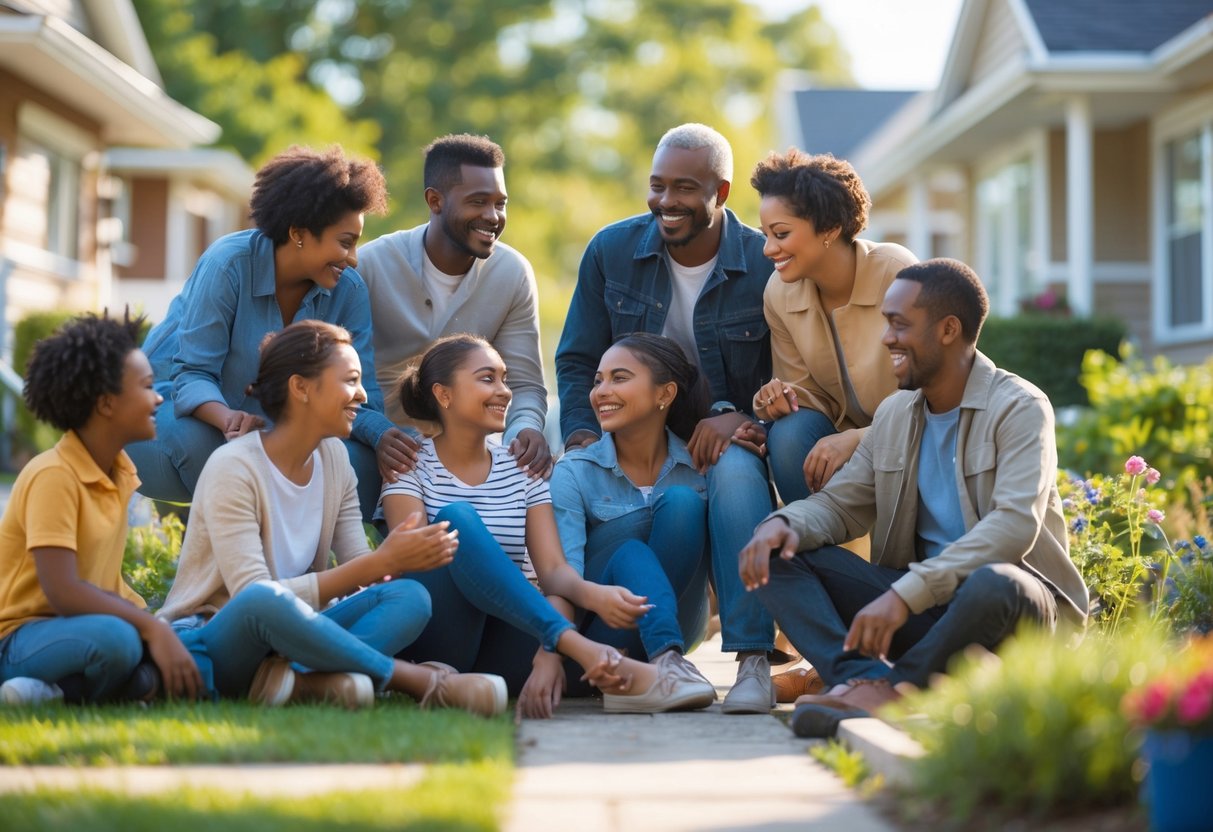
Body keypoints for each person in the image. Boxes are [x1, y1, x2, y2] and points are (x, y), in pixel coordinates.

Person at [738, 259, 1089, 738]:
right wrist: (786, 524)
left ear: (948, 330)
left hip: (1013, 612)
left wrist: (907, 594)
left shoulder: (1020, 407)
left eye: (900, 324)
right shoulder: (896, 413)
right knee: (772, 551)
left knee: (995, 582)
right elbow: (841, 506)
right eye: (887, 323)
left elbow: (1014, 528)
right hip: (927, 613)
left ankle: (895, 686)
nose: (887, 338)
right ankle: (867, 682)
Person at [157, 320, 507, 715]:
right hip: (216, 633)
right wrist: (380, 562)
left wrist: (394, 563)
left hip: (300, 630)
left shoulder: (334, 459)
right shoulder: (234, 468)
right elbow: (250, 598)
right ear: (301, 388)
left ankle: (302, 681)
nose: (361, 394)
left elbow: (359, 566)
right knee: (265, 598)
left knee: (409, 597)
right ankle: (421, 683)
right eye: (351, 380)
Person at [555, 123, 778, 714]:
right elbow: (579, 359)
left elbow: (787, 368)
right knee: (631, 529)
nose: (666, 202)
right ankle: (660, 662)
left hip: (717, 436)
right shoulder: (611, 250)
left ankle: (754, 660)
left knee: (713, 486)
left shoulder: (763, 265)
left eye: (685, 188)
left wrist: (738, 416)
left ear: (721, 192)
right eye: (657, 186)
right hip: (630, 439)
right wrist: (583, 437)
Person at [378, 335, 716, 718]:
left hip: (508, 641)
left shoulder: (525, 468)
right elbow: (415, 561)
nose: (505, 391)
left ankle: (660, 665)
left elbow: (554, 573)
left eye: (505, 379)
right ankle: (580, 648)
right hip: (440, 635)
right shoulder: (408, 464)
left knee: (630, 552)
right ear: (444, 394)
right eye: (488, 378)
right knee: (457, 520)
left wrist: (588, 598)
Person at [128, 145, 407, 520]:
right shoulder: (228, 264)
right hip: (173, 413)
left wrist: (383, 435)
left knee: (364, 463)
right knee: (210, 448)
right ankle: (253, 559)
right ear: (299, 234)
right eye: (345, 242)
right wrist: (227, 418)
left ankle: (316, 564)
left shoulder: (349, 290)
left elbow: (360, 397)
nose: (353, 258)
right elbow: (192, 375)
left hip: (271, 434)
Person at [1, 313, 199, 705]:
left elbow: (105, 583)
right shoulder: (53, 475)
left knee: (187, 635)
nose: (158, 396)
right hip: (20, 638)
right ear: (107, 403)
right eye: (146, 386)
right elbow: (63, 590)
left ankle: (57, 694)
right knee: (121, 641)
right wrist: (150, 630)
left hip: (77, 629)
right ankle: (106, 687)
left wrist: (161, 622)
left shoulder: (121, 472)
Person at [356, 133, 551, 478]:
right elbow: (338, 376)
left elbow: (525, 384)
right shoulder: (370, 265)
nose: (493, 216)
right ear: (435, 201)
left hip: (470, 454)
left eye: (500, 203)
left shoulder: (512, 273)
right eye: (478, 202)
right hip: (377, 448)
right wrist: (376, 432)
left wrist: (525, 427)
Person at [742, 149, 917, 503]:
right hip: (835, 435)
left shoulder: (896, 274)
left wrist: (860, 438)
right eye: (765, 235)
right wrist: (779, 399)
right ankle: (819, 553)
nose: (767, 249)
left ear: (830, 229)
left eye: (780, 233)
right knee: (789, 434)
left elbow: (934, 393)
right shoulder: (779, 293)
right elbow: (806, 393)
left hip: (915, 433)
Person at [550, 333, 714, 688]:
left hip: (681, 622)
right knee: (631, 551)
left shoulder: (700, 467)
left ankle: (663, 656)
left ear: (664, 394)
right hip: (601, 631)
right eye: (598, 381)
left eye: (619, 378)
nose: (600, 391)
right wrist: (549, 655)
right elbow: (565, 577)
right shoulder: (574, 470)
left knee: (684, 503)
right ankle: (664, 661)